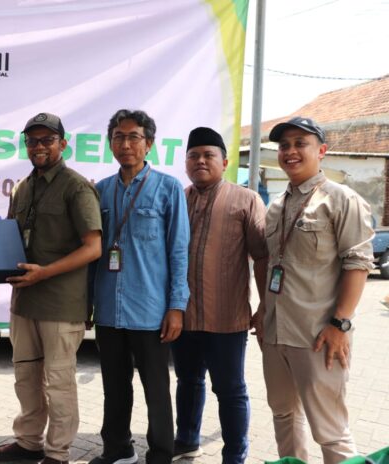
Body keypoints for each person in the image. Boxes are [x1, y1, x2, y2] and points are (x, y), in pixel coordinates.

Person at [251, 117, 374, 464]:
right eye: (284, 145)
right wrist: (263, 310)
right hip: (276, 333)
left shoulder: (341, 199)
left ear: (321, 151)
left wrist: (340, 324)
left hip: (318, 335)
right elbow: (273, 265)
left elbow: (358, 263)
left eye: (300, 143)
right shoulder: (276, 206)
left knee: (330, 430)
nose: (290, 151)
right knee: (283, 415)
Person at [0, 112, 102, 464]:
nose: (39, 146)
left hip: (61, 304)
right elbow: (11, 238)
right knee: (26, 377)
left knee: (58, 382)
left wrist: (45, 273)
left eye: (47, 140)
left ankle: (57, 452)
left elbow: (93, 248)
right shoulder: (22, 188)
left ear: (62, 144)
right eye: (32, 141)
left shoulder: (76, 187)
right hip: (25, 301)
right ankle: (28, 442)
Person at [88, 109, 189, 464]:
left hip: (151, 310)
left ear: (149, 144)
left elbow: (179, 251)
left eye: (134, 137)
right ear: (110, 143)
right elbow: (91, 253)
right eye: (118, 137)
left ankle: (161, 454)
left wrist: (176, 306)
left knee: (157, 390)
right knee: (114, 387)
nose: (126, 144)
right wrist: (87, 303)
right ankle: (118, 450)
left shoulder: (168, 188)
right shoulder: (100, 191)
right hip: (108, 309)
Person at [171, 127, 268, 463]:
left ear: (224, 162)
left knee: (230, 389)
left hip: (227, 317)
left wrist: (264, 306)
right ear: (186, 162)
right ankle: (186, 440)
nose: (200, 161)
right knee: (187, 380)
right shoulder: (178, 199)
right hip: (183, 315)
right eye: (193, 155)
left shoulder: (246, 200)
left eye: (208, 155)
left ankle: (235, 455)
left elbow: (263, 256)